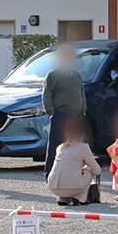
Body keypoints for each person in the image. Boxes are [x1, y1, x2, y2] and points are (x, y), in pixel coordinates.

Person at [41, 44, 86, 178]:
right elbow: (47, 94)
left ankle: (75, 173)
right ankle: (50, 173)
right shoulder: (53, 74)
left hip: (76, 114)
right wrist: (51, 112)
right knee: (56, 144)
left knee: (77, 145)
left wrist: (83, 109)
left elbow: (81, 92)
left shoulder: (76, 74)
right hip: (60, 113)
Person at [47, 116, 101, 206]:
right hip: (73, 187)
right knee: (89, 170)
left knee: (68, 171)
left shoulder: (60, 147)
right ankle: (80, 198)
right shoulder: (84, 147)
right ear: (82, 134)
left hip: (53, 186)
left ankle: (63, 198)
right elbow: (97, 170)